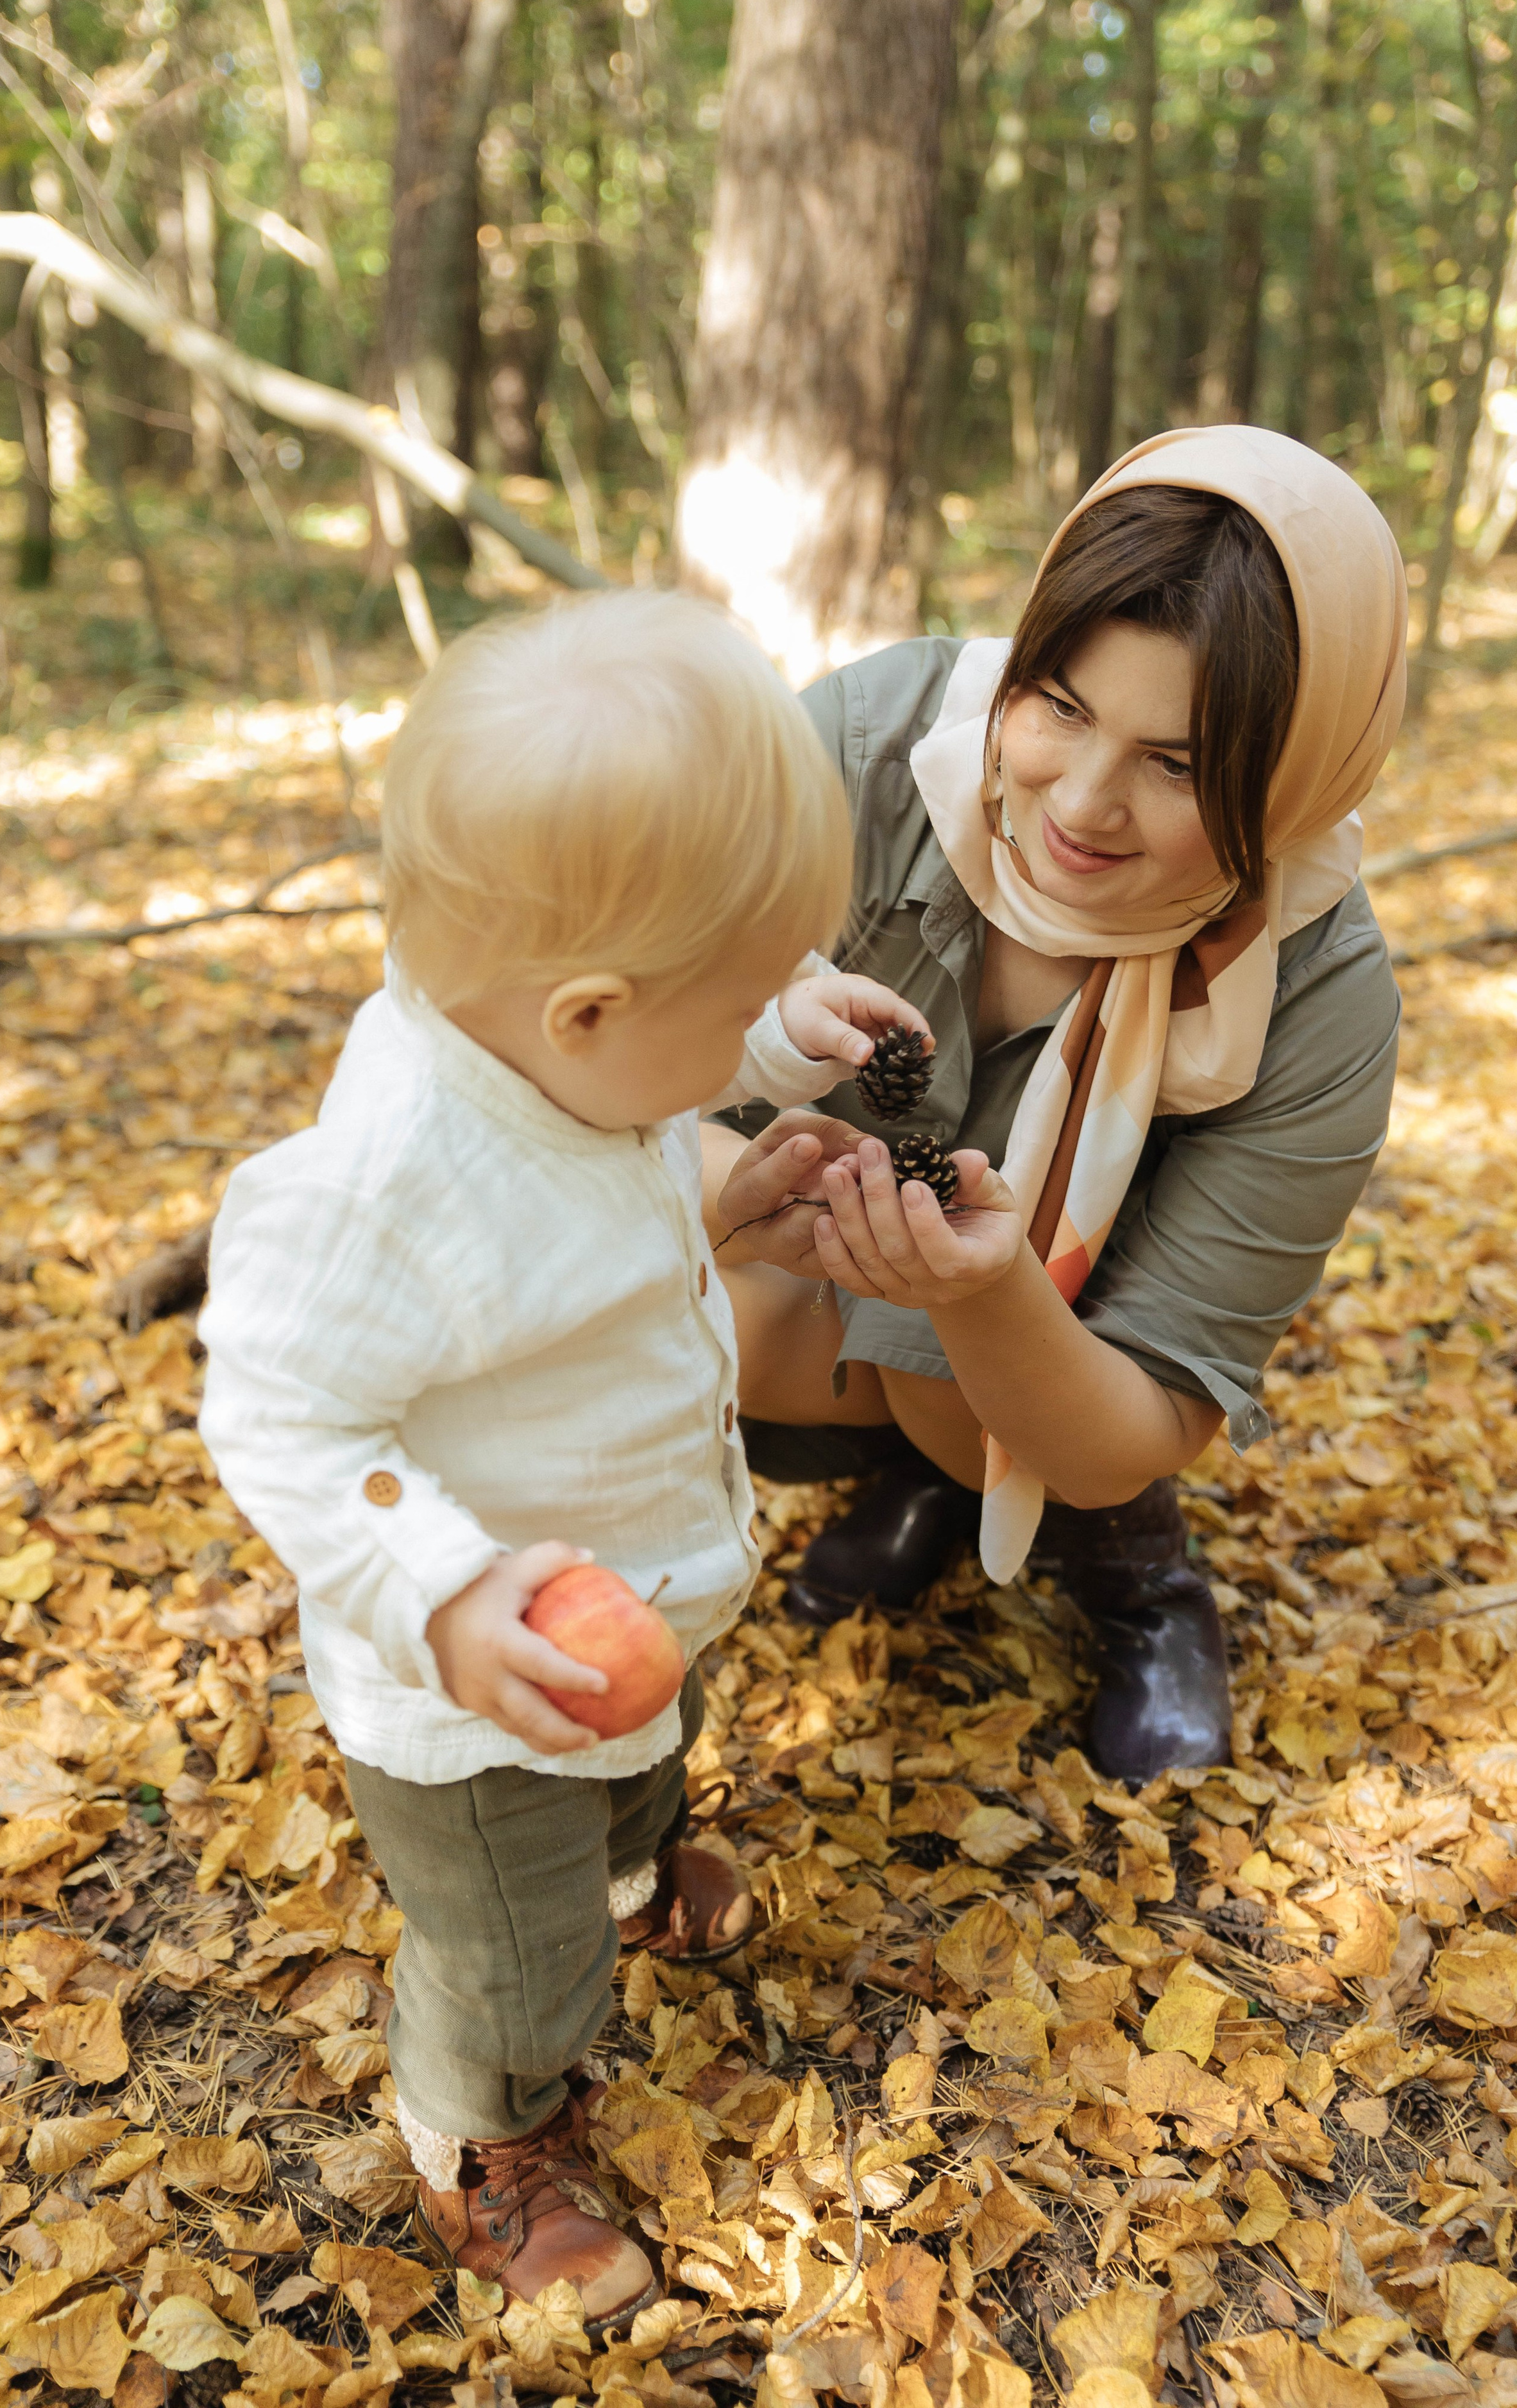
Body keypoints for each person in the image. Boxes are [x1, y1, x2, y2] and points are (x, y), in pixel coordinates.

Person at [196, 593, 932, 2332]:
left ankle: (629, 1865)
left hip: (639, 1585)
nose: (776, 1019)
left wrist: (730, 1152)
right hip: (484, 1693)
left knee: (642, 1778)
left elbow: (587, 1200)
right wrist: (442, 1591)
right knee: (515, 1960)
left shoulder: (561, 1056)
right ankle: (485, 2130)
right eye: (753, 992)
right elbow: (280, 1410)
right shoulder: (380, 1191)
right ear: (594, 1014)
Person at [705, 426, 1407, 1784]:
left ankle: (1136, 1578)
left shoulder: (1315, 990)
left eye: (1181, 766)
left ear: (1296, 776)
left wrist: (980, 1299)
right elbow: (591, 1050)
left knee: (960, 1410)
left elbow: (1139, 1413)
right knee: (677, 1320)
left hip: (1061, 1355)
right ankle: (914, 1476)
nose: (1081, 806)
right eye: (1060, 708)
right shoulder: (863, 753)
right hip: (775, 1252)